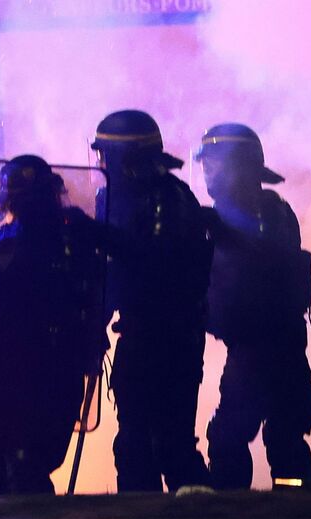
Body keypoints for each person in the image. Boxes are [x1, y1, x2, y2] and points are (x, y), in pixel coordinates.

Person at [0, 155, 104, 496]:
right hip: (46, 379)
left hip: (16, 381)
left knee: (3, 470)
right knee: (13, 469)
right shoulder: (78, 242)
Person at [91, 110, 212, 492]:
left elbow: (152, 261)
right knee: (135, 446)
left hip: (168, 339)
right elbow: (114, 271)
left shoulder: (168, 200)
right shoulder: (116, 200)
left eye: (105, 155)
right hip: (141, 334)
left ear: (122, 159)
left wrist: (96, 234)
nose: (101, 164)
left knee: (169, 447)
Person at [194, 123, 311, 490]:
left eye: (214, 164)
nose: (207, 173)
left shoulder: (271, 216)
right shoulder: (235, 215)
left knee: (235, 435)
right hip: (263, 343)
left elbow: (266, 259)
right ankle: (284, 517)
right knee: (282, 433)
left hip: (265, 344)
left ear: (239, 167)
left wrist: (218, 230)